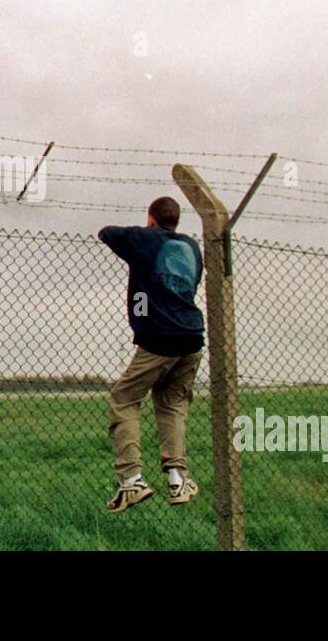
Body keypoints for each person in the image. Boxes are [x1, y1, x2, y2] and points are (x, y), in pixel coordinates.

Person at [98, 196, 205, 513]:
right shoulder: (191, 248)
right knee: (172, 404)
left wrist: (144, 236)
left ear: (151, 218)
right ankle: (177, 478)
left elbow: (107, 232)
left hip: (159, 337)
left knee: (124, 398)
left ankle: (131, 480)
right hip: (192, 337)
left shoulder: (147, 239)